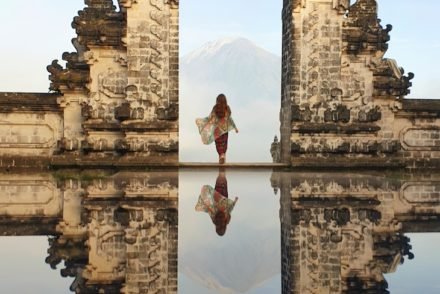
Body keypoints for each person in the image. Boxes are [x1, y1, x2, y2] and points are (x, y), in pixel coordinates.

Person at [196, 94, 239, 164]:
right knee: (224, 145)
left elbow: (210, 117)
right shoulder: (227, 108)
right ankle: (223, 159)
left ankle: (221, 157)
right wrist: (235, 127)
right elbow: (230, 119)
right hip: (224, 131)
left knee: (219, 145)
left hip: (217, 130)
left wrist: (202, 122)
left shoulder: (215, 108)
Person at [195, 168, 238, 236]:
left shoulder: (216, 221)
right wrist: (235, 202)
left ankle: (222, 167)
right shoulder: (226, 220)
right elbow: (229, 210)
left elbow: (210, 210)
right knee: (222, 180)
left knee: (220, 180)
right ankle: (222, 167)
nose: (220, 226)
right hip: (222, 198)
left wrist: (205, 203)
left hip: (218, 198)